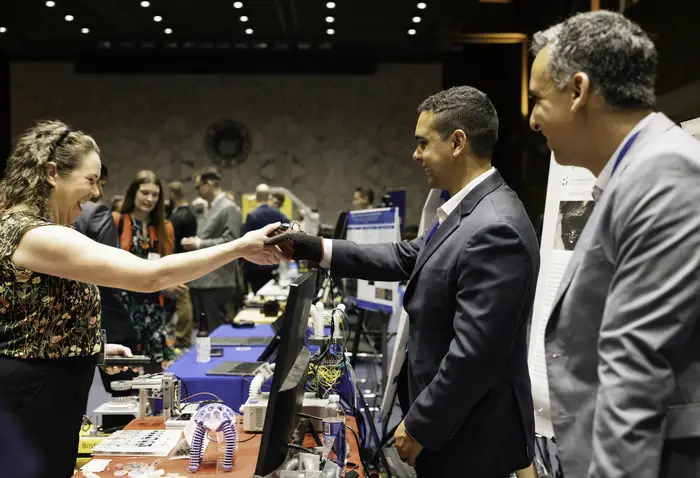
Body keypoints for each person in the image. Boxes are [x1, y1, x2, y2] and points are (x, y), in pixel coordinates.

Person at [268, 86, 540, 477]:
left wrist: (420, 425)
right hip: (456, 427)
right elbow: (406, 256)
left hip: (469, 436)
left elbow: (475, 356)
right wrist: (316, 248)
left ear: (458, 142)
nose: (415, 155)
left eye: (423, 143)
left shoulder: (496, 227)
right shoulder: (470, 210)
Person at [0, 120, 283, 478]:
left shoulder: (49, 230)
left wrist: (92, 348)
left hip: (50, 392)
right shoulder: (32, 233)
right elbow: (151, 276)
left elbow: (35, 317)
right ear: (53, 173)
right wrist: (240, 246)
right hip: (30, 399)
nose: (97, 193)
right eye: (90, 180)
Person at [529, 11, 700, 478]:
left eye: (538, 99)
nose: (531, 119)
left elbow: (636, 368)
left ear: (579, 91)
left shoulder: (665, 174)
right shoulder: (634, 174)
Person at [74, 164, 139, 425]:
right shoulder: (94, 213)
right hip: (100, 321)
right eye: (92, 181)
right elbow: (116, 274)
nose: (97, 192)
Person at [114, 170, 186, 369]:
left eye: (155, 194)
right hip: (125, 308)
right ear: (133, 193)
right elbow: (111, 267)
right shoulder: (117, 222)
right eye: (145, 192)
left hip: (154, 310)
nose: (150, 198)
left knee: (158, 375)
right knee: (125, 377)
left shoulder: (165, 227)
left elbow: (167, 265)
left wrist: (170, 284)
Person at [182, 168, 243, 331]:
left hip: (219, 279)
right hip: (205, 278)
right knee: (206, 329)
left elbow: (232, 241)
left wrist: (199, 244)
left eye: (198, 187)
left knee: (218, 330)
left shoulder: (229, 208)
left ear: (208, 184)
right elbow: (205, 234)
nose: (197, 192)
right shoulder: (207, 208)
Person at [244, 185, 290, 293]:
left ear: (256, 196)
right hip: (276, 263)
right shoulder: (281, 215)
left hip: (256, 266)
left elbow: (247, 243)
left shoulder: (251, 216)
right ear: (269, 196)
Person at [167, 181, 197, 347]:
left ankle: (182, 336)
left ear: (172, 194)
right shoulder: (191, 214)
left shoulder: (177, 217)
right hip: (190, 261)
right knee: (185, 299)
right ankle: (183, 334)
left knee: (183, 301)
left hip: (180, 262)